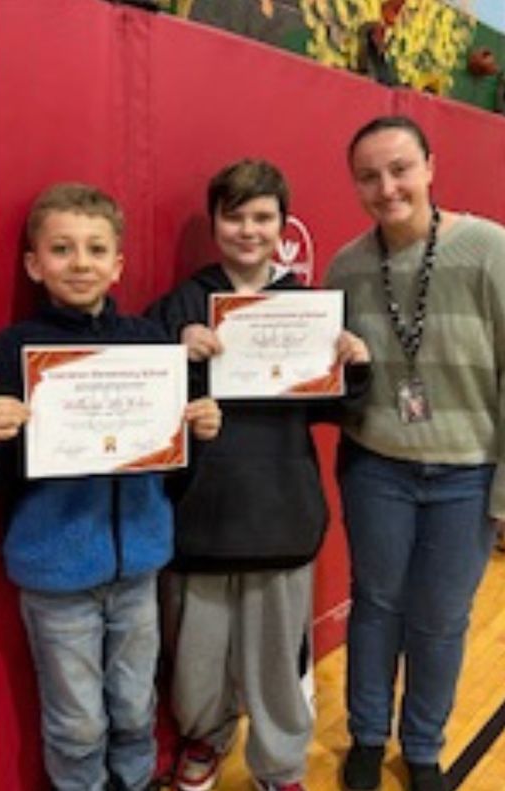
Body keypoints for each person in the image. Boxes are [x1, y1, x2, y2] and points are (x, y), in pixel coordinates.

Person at [144, 159, 370, 791]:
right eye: (234, 215)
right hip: (200, 517)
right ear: (216, 222)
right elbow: (139, 406)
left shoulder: (308, 309)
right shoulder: (186, 303)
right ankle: (205, 742)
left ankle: (278, 766)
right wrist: (176, 349)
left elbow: (336, 409)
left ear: (282, 225)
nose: (248, 229)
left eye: (262, 217)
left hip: (281, 514)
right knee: (197, 659)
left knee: (277, 661)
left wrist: (353, 363)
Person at [0, 182, 222, 791]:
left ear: (118, 264)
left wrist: (195, 431)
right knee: (77, 723)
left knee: (135, 707)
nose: (80, 263)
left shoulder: (149, 344)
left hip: (140, 564)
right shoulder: (12, 350)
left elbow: (170, 467)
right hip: (55, 573)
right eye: (62, 250)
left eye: (96, 250)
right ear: (33, 264)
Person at [325, 115, 505, 791]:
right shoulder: (345, 266)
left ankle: (423, 743)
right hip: (378, 467)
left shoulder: (488, 249)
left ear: (430, 165)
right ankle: (368, 735)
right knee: (374, 604)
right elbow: (337, 385)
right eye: (368, 176)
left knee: (440, 619)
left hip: (467, 472)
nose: (386, 187)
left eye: (400, 168)